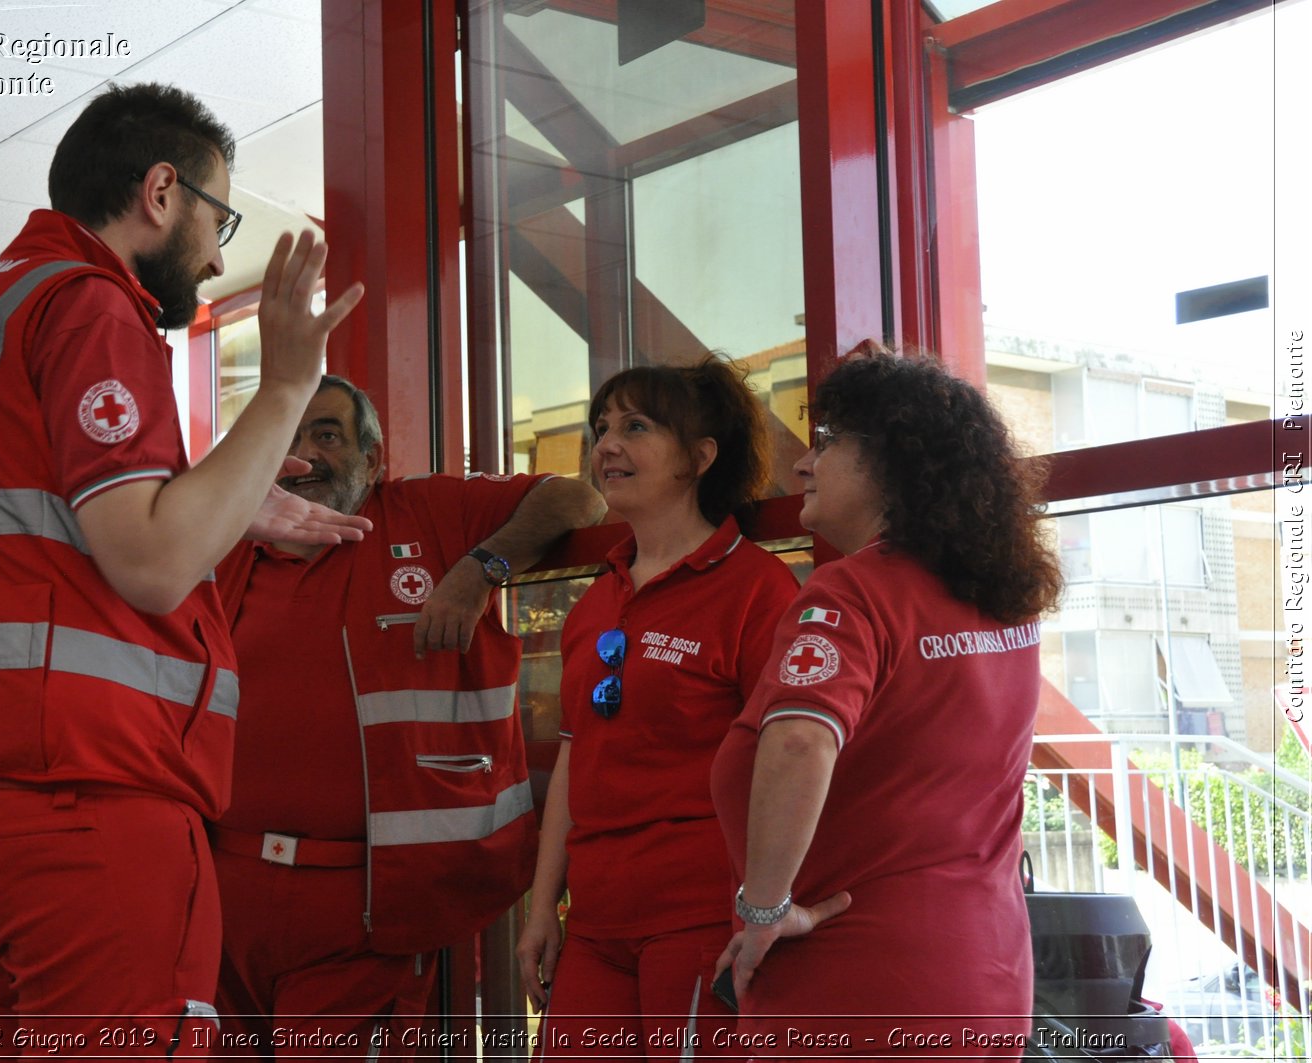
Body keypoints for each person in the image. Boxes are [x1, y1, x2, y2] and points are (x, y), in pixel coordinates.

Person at [0, 82, 368, 1053]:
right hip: (86, 802)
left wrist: (230, 503)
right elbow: (151, 563)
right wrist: (283, 388)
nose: (218, 255)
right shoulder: (88, 305)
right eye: (217, 216)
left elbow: (60, 534)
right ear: (162, 190)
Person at [211, 374, 605, 1055]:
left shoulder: (426, 513)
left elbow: (580, 499)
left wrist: (480, 568)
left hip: (367, 908)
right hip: (226, 897)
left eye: (327, 435)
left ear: (375, 456)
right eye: (289, 437)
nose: (303, 455)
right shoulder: (223, 549)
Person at [710, 350, 1063, 1052]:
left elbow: (800, 740)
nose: (804, 464)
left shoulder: (852, 592)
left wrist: (763, 907)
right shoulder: (1003, 600)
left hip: (860, 977)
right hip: (987, 967)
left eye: (829, 440)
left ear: (895, 461)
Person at [515, 356, 801, 1060]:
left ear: (701, 456)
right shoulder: (596, 597)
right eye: (601, 426)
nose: (606, 444)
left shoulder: (758, 590)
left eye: (636, 427)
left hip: (703, 919)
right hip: (594, 926)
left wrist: (764, 905)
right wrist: (541, 905)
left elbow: (788, 765)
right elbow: (577, 751)